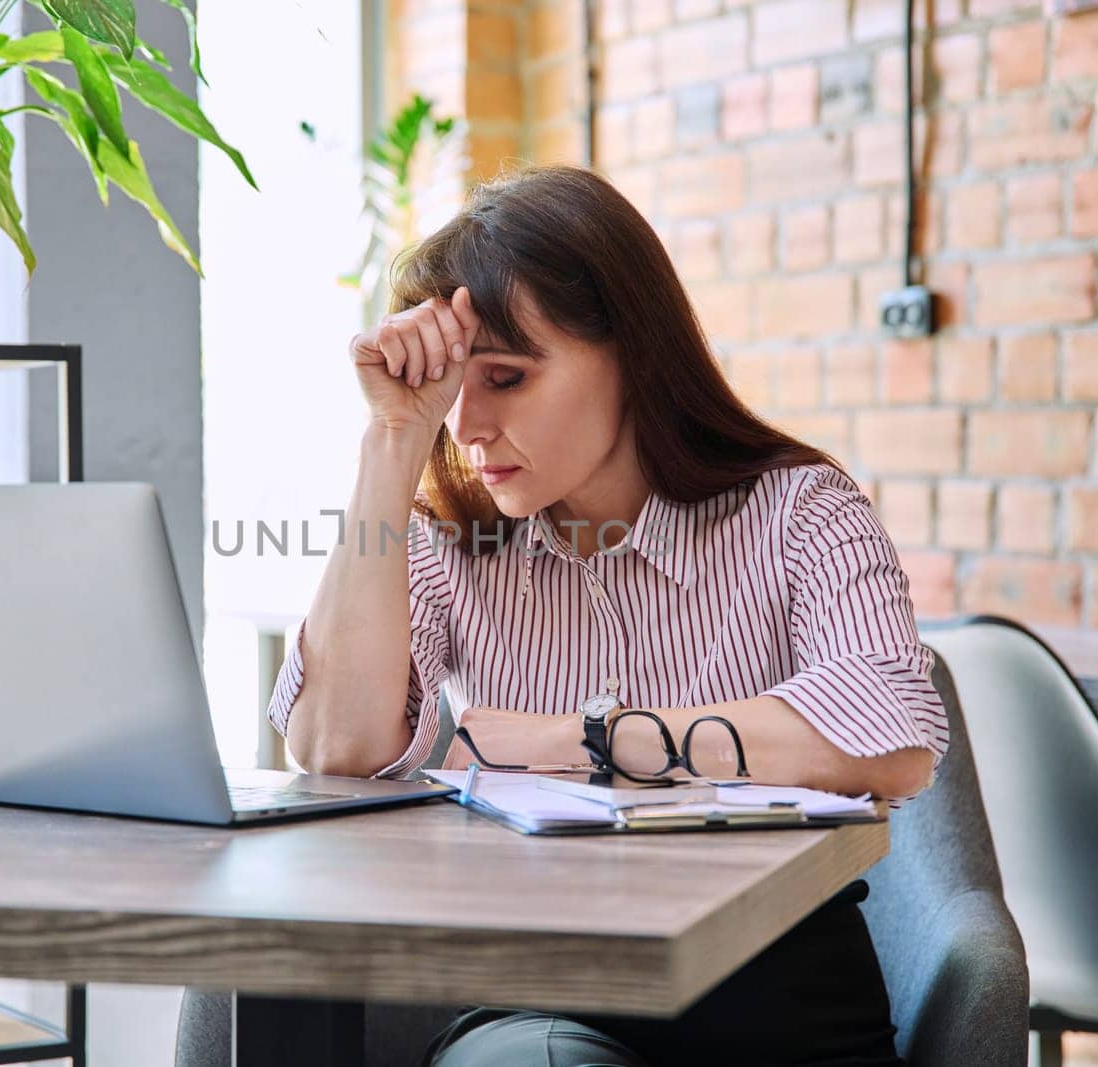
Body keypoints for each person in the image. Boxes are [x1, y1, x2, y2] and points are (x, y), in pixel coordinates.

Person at [265, 163, 948, 1067]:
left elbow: (890, 735)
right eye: (452, 390)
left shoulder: (801, 510)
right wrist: (393, 441)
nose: (467, 427)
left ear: (632, 351)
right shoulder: (446, 542)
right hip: (541, 997)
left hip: (780, 1001)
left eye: (505, 378)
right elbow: (333, 744)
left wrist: (576, 737)